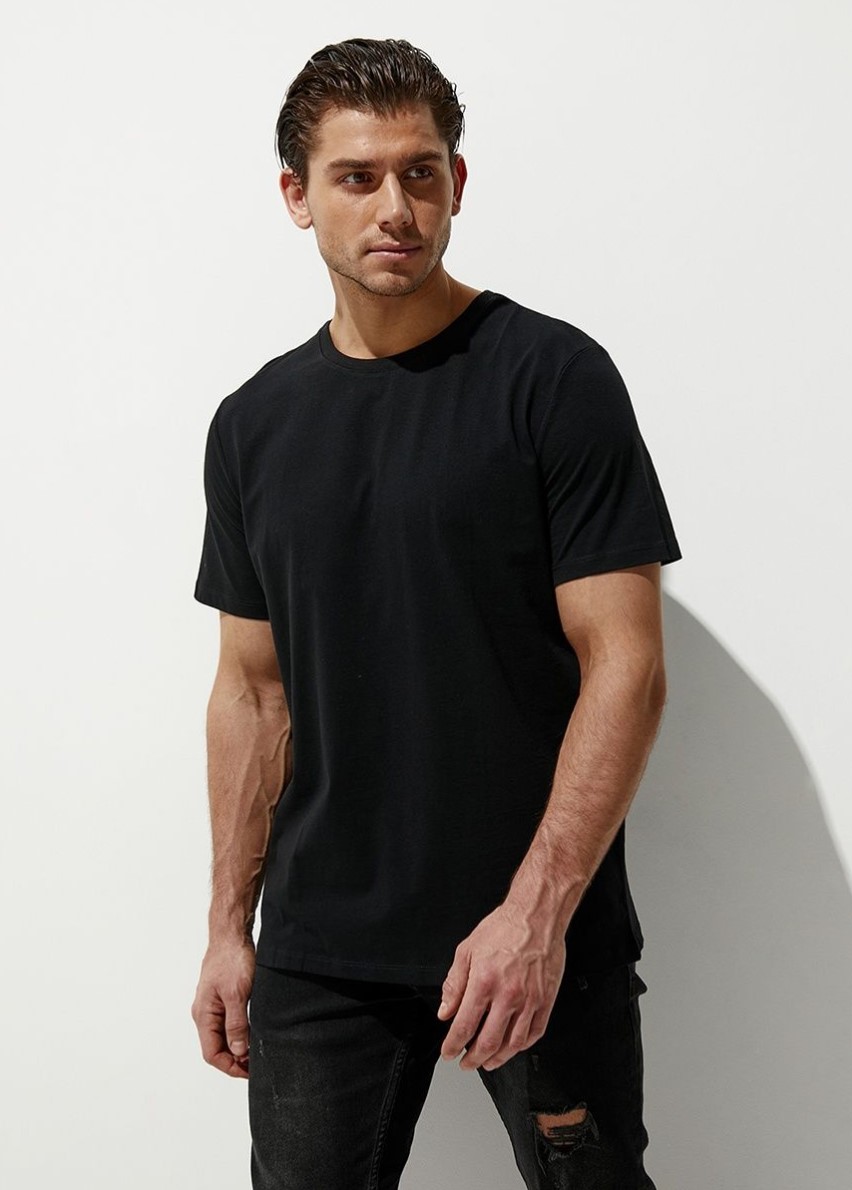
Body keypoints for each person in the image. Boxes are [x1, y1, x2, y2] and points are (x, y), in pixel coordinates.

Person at [190, 36, 682, 1190]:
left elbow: (627, 665)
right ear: (297, 196)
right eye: (357, 177)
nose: (395, 207)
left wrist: (537, 911)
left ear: (457, 182)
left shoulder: (552, 379)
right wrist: (226, 925)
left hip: (538, 925)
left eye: (421, 172)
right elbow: (253, 691)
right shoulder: (253, 425)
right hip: (321, 949)